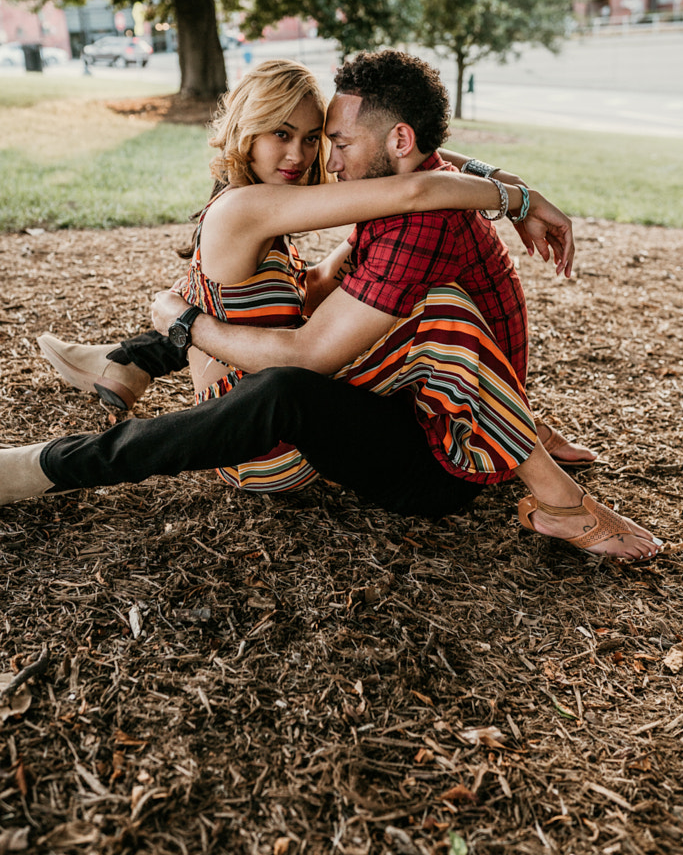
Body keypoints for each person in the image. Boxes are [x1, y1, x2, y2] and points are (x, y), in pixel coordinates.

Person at [1, 52, 660, 562]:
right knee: (434, 323)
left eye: (316, 138)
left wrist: (331, 269)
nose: (301, 154)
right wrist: (517, 196)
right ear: (244, 131)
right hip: (260, 434)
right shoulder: (245, 207)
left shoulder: (266, 194)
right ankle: (54, 456)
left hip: (269, 381)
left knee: (403, 312)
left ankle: (125, 363)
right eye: (279, 135)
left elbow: (397, 177)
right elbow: (410, 191)